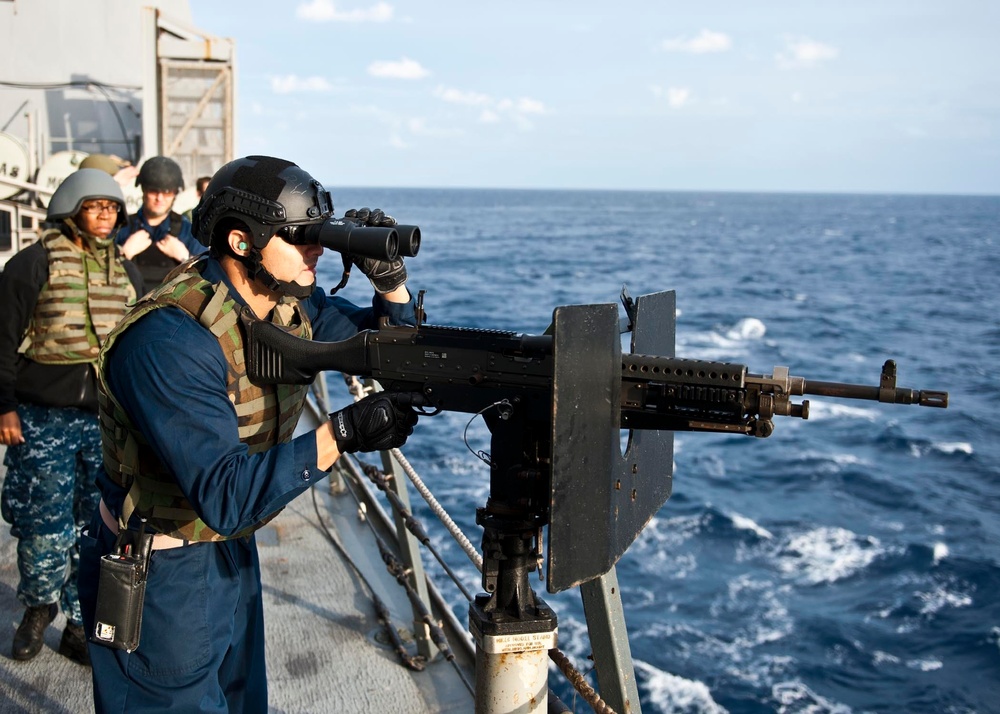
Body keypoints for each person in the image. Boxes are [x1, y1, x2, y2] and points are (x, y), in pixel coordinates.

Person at [78, 155, 420, 712]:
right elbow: (227, 496)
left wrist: (392, 285)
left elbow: (396, 357)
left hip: (228, 553)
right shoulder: (168, 341)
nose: (319, 250)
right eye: (302, 237)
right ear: (241, 242)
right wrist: (342, 433)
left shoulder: (290, 302)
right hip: (160, 568)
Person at [0, 168, 142, 665]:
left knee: (96, 525)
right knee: (43, 522)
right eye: (94, 205)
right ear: (71, 209)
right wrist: (5, 407)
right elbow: (1, 339)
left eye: (112, 207)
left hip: (104, 422)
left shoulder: (125, 271)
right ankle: (38, 609)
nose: (105, 215)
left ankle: (80, 622)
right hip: (42, 420)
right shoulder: (31, 264)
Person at [115, 155, 204, 294]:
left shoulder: (188, 232)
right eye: (154, 191)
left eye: (167, 192)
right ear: (143, 189)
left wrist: (186, 259)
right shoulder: (121, 228)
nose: (160, 198)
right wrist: (124, 255)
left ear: (175, 193)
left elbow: (207, 282)